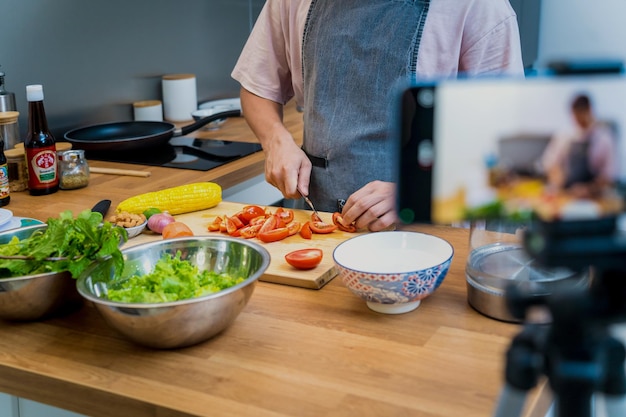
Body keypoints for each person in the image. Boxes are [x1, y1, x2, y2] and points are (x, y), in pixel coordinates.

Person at [231, 0, 524, 231]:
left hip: (432, 236)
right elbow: (258, 87)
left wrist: (417, 192)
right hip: (321, 226)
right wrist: (276, 141)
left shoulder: (481, 7)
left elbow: (508, 146)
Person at [541, 94, 618, 199]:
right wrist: (557, 177)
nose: (578, 119)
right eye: (575, 115)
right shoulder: (565, 136)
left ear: (590, 110)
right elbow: (549, 163)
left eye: (581, 114)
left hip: (595, 197)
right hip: (567, 194)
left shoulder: (604, 138)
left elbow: (609, 177)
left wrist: (588, 189)